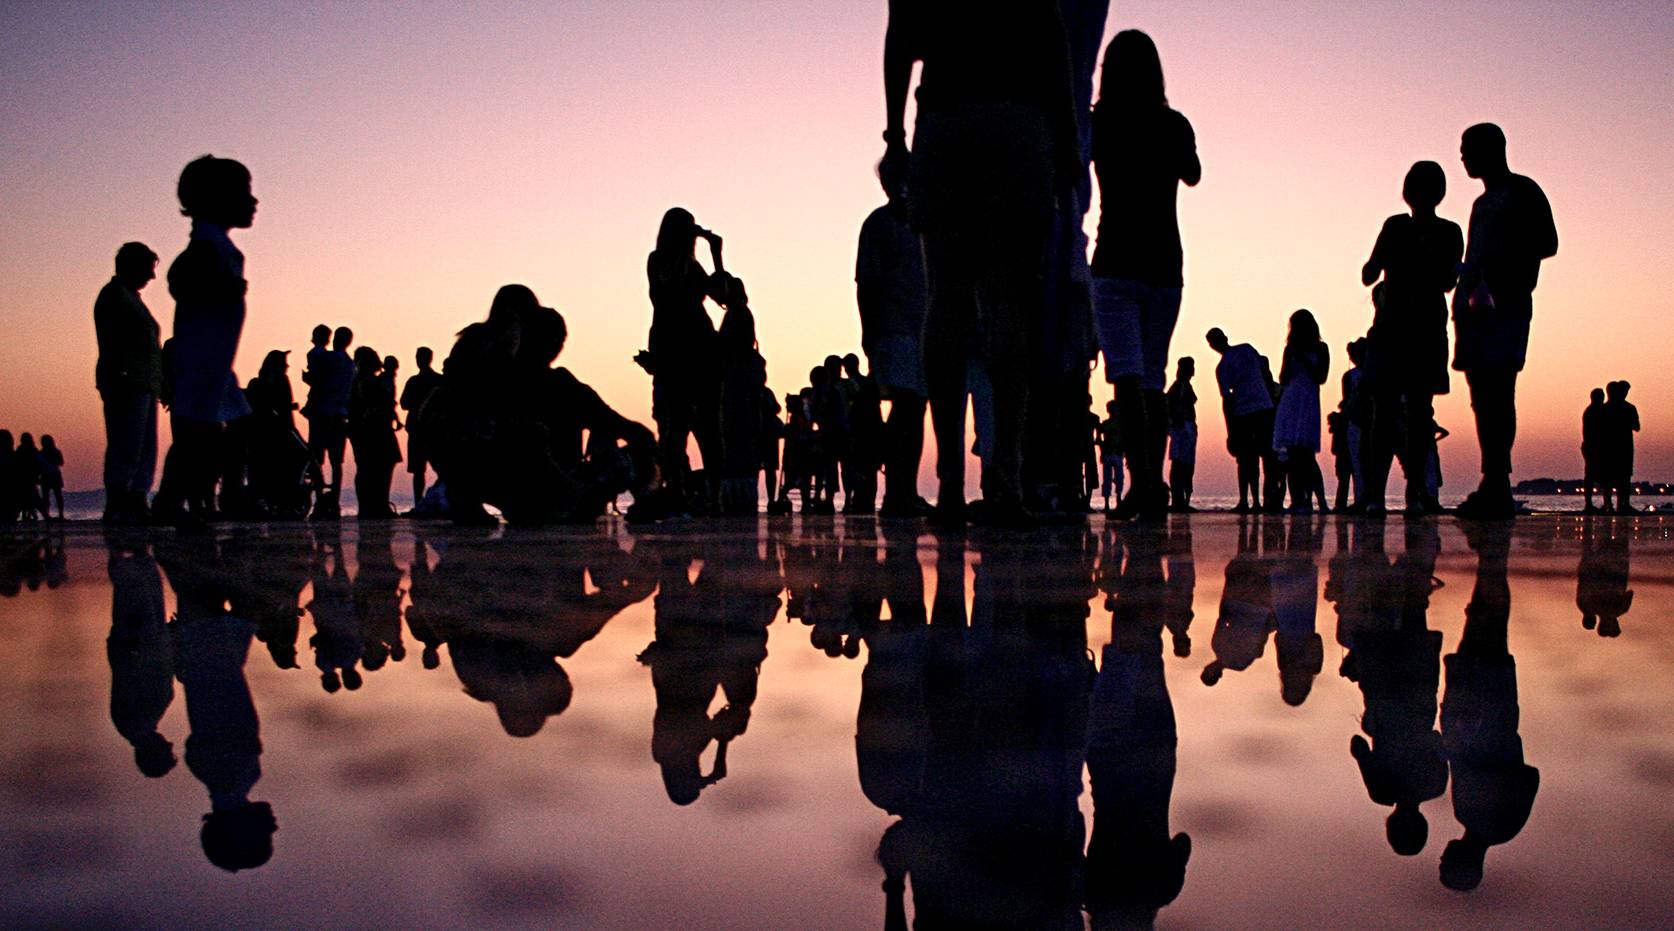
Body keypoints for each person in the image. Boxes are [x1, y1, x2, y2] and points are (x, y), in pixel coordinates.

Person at [882, 0, 1079, 525]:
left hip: (949, 122)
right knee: (1009, 305)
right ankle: (1006, 481)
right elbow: (1054, 50)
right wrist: (1064, 151)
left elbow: (902, 35)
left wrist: (895, 134)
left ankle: (951, 484)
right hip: (1018, 127)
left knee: (946, 299)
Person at [1089, 29, 1201, 521]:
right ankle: (1150, 487)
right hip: (1163, 265)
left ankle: (1145, 486)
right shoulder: (1172, 124)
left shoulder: (1100, 124)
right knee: (1151, 381)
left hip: (1116, 261)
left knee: (1128, 382)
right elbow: (1193, 173)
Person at [1452, 124, 1558, 518]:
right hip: (1473, 310)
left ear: (1492, 149)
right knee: (1482, 398)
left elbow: (1547, 242)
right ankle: (1491, 477)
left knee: (1500, 391)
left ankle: (1498, 481)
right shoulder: (1481, 205)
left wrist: (1499, 268)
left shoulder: (1522, 191)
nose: (1462, 156)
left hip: (1507, 306)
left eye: (1468, 149)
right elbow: (1471, 256)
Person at [151, 156, 257, 528]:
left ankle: (226, 494)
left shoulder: (221, 247)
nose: (253, 202)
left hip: (217, 363)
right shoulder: (207, 245)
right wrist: (219, 288)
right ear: (216, 200)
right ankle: (171, 501)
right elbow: (179, 276)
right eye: (244, 193)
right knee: (197, 435)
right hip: (199, 360)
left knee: (235, 429)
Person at [1360, 161, 1463, 514]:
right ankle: (1415, 493)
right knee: (1419, 413)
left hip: (1394, 327)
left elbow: (1368, 272)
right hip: (1427, 327)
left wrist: (1387, 266)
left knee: (1385, 414)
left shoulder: (1395, 226)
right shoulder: (1450, 232)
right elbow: (1450, 282)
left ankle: (1375, 494)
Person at [639, 208, 726, 514]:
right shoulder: (659, 260)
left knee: (709, 429)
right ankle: (676, 491)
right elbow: (665, 291)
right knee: (672, 428)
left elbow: (724, 297)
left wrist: (716, 255)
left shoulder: (694, 265)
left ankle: (714, 497)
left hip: (700, 347)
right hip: (672, 349)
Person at [94, 241, 165, 524]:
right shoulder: (114, 296)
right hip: (127, 382)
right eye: (148, 269)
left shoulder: (131, 298)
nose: (152, 276)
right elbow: (113, 342)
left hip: (145, 384)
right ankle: (119, 503)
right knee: (126, 444)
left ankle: (137, 500)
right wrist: (118, 378)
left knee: (145, 446)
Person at [716, 276, 770, 515]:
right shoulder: (741, 313)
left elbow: (726, 346)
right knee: (740, 440)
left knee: (735, 438)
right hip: (742, 387)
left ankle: (736, 498)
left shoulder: (737, 314)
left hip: (738, 388)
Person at [1207, 328, 1275, 511]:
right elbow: (1264, 373)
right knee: (1258, 457)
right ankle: (1256, 501)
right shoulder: (1244, 351)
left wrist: (1230, 429)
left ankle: (1257, 500)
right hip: (1256, 410)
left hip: (1251, 411)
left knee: (1253, 458)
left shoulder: (1231, 361)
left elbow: (1227, 400)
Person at [1272, 310, 1330, 512]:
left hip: (1308, 400)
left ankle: (1318, 500)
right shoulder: (1290, 349)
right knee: (1293, 456)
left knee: (1306, 455)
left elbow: (1321, 377)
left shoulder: (1321, 348)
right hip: (1291, 399)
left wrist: (1304, 359)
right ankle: (1298, 500)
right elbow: (1283, 378)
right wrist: (1291, 358)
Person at [302, 326, 355, 514]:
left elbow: (316, 370)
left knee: (317, 458)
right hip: (339, 414)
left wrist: (309, 377)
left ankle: (320, 500)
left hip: (323, 413)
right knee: (336, 461)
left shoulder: (329, 358)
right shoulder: (350, 364)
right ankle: (334, 500)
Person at [347, 347, 400, 519]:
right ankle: (376, 505)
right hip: (372, 429)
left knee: (370, 468)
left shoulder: (363, 380)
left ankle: (373, 506)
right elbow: (381, 400)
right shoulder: (366, 381)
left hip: (368, 429)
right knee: (374, 467)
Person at [399, 346, 444, 508]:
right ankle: (428, 501)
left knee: (421, 470)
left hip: (423, 429)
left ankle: (422, 502)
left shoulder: (415, 381)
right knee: (434, 469)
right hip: (428, 429)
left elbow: (404, 403)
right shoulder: (437, 380)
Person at [842, 353, 884, 514]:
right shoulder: (866, 383)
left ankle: (861, 502)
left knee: (861, 469)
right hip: (869, 431)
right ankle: (865, 503)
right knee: (868, 470)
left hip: (861, 432)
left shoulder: (855, 385)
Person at [1339, 338, 1369, 511]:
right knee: (1359, 463)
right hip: (1356, 421)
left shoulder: (1353, 376)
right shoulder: (1350, 376)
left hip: (1361, 421)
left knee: (1361, 463)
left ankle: (1364, 499)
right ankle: (1362, 499)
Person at [1601, 380, 1640, 513]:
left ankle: (1613, 505)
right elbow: (1636, 426)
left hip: (1613, 447)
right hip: (1620, 447)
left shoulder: (1605, 408)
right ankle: (1620, 504)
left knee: (1614, 478)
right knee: (1619, 478)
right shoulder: (1629, 408)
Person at [1166, 357, 1198, 511]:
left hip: (1185, 428)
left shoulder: (1184, 386)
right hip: (1182, 429)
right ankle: (1179, 501)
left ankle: (1182, 500)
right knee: (1181, 464)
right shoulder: (1179, 387)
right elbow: (1171, 405)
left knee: (1186, 464)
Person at [1580, 387, 1606, 513]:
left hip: (1593, 446)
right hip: (1593, 447)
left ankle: (1602, 504)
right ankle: (1590, 504)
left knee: (1595, 476)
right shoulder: (1594, 411)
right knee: (1592, 477)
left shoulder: (1593, 411)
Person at [1097, 400, 1122, 513]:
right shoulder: (1105, 424)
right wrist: (1102, 451)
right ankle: (1108, 503)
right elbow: (1099, 439)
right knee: (1108, 478)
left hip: (1116, 453)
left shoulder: (1117, 424)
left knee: (1119, 478)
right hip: (1109, 453)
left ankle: (1118, 500)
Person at [37, 435, 65, 520]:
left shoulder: (55, 452)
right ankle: (47, 515)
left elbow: (61, 462)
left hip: (54, 474)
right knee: (46, 496)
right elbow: (38, 466)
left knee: (58, 495)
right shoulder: (41, 453)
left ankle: (60, 514)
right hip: (46, 475)